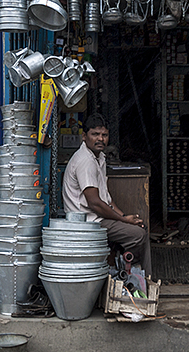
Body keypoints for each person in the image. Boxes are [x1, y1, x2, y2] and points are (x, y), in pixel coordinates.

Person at [62, 113, 152, 276]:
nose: (100, 139)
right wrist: (124, 220)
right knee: (137, 235)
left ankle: (137, 274)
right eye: (95, 134)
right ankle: (127, 274)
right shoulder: (86, 161)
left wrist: (125, 217)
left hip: (98, 218)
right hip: (88, 222)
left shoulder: (98, 158)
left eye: (104, 135)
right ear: (84, 136)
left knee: (139, 226)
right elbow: (95, 203)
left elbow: (106, 199)